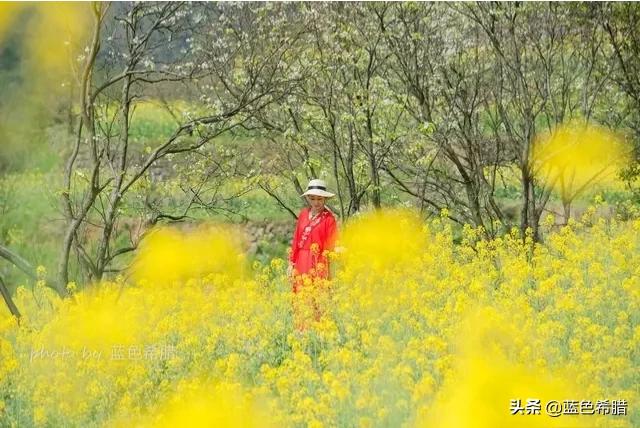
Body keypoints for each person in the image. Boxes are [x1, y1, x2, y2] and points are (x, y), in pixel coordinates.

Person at [288, 179, 339, 294]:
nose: (316, 202)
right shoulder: (303, 214)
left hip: (318, 262)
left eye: (319, 199)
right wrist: (291, 263)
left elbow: (332, 244)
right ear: (308, 198)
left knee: (316, 297)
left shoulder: (329, 219)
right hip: (300, 260)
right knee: (300, 297)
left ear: (325, 199)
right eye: (312, 199)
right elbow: (296, 239)